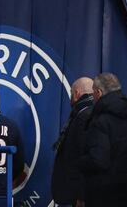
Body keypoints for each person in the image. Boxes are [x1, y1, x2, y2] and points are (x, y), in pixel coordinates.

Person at [80, 73, 127, 207]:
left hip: (103, 196)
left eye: (93, 93)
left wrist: (81, 161)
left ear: (99, 92)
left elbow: (98, 161)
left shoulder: (100, 121)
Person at [51, 77, 94, 207]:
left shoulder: (84, 116)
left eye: (71, 92)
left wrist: (81, 195)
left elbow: (84, 157)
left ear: (76, 93)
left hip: (82, 193)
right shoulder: (87, 112)